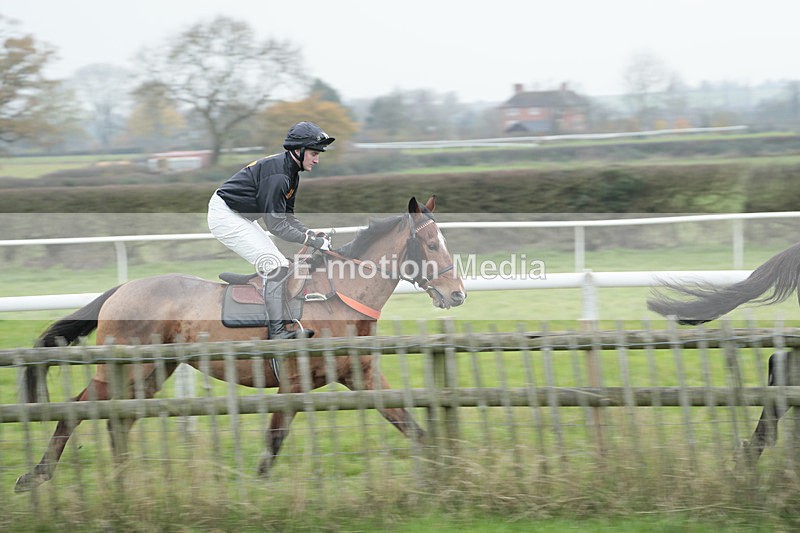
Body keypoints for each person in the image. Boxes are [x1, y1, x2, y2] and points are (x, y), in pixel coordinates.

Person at [207, 121, 335, 339]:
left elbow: (287, 217)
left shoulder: (291, 173)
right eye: (314, 153)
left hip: (240, 215)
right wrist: (312, 241)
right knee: (275, 266)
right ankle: (277, 333)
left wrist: (311, 235)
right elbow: (276, 226)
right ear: (298, 150)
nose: (317, 159)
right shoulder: (279, 176)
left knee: (281, 264)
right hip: (225, 215)